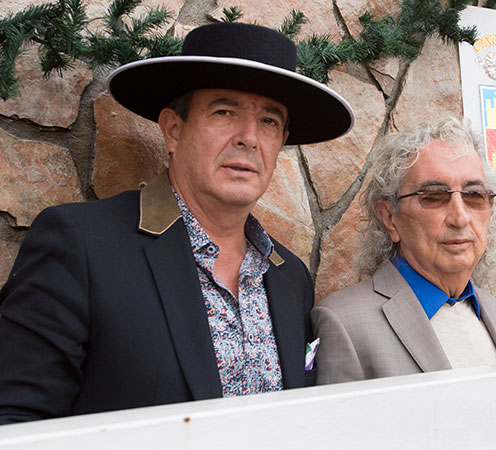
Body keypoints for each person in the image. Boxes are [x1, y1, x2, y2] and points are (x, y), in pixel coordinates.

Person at [0, 22, 354, 424]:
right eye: (225, 112)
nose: (249, 137)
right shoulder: (79, 246)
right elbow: (14, 421)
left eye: (269, 121)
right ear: (172, 129)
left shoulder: (291, 277)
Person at [312, 117, 496, 385]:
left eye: (474, 196)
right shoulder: (343, 322)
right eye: (434, 197)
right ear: (390, 218)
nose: (460, 218)